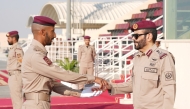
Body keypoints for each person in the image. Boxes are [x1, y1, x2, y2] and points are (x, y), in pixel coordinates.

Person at [21, 16, 107, 109]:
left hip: (38, 103)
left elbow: (52, 84)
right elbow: (63, 74)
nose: (54, 35)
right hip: (36, 105)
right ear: (42, 32)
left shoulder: (37, 53)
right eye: (52, 31)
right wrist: (93, 78)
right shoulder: (36, 56)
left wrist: (80, 93)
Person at [105, 21, 176, 109]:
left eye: (136, 36)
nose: (133, 39)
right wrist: (110, 87)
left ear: (149, 36)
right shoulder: (137, 57)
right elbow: (132, 84)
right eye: (133, 36)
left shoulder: (163, 57)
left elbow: (169, 90)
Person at [6, 31, 24, 109]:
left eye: (9, 38)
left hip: (16, 76)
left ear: (14, 38)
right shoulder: (13, 48)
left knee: (17, 99)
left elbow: (21, 62)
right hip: (12, 76)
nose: (7, 40)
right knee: (15, 99)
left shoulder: (17, 49)